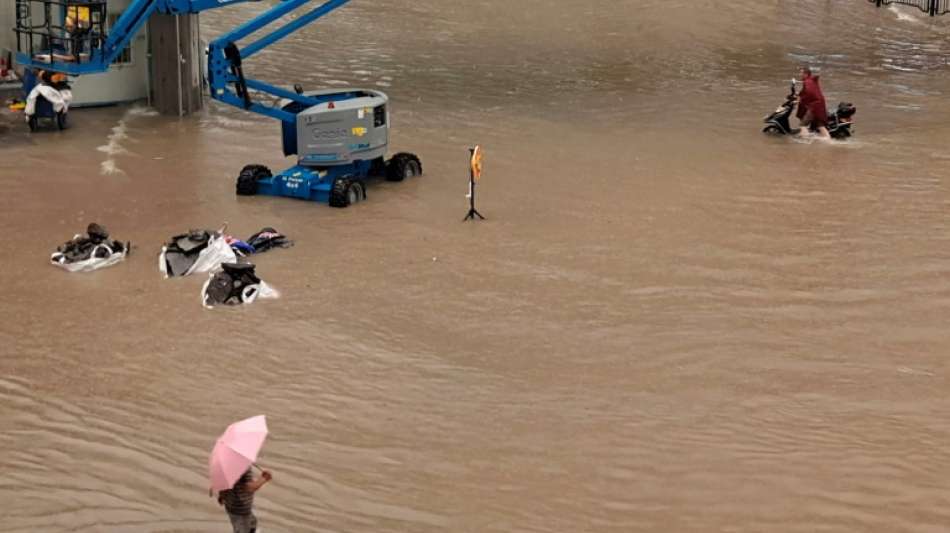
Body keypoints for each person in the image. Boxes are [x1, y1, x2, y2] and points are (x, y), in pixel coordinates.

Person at [218, 468, 273, 533]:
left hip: (231, 505)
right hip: (241, 508)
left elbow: (224, 483)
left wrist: (222, 496)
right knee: (243, 527)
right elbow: (250, 488)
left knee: (252, 522)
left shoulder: (226, 466)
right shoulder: (245, 468)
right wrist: (264, 478)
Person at [796, 66, 830, 139]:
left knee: (803, 124)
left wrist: (801, 99)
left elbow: (809, 93)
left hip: (814, 106)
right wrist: (798, 95)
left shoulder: (807, 81)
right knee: (820, 125)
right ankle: (829, 142)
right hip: (820, 105)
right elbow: (805, 92)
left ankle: (806, 141)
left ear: (806, 74)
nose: (800, 75)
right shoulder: (811, 80)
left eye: (801, 73)